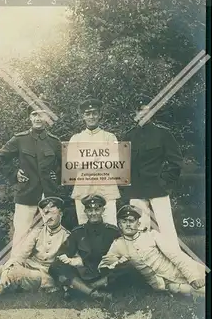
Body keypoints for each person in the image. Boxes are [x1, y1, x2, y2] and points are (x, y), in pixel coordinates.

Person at [0, 100, 62, 255]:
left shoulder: (54, 142)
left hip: (50, 196)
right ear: (30, 118)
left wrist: (56, 177)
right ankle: (14, 271)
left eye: (41, 114)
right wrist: (14, 174)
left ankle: (47, 271)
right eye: (34, 114)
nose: (38, 118)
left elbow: (66, 167)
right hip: (26, 195)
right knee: (21, 235)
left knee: (50, 235)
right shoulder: (20, 139)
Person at [99, 205, 205, 296]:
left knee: (200, 283)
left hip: (178, 271)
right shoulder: (118, 244)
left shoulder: (151, 235)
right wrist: (114, 263)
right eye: (124, 221)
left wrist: (193, 276)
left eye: (131, 221)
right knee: (193, 291)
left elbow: (175, 255)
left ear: (138, 224)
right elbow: (104, 265)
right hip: (162, 285)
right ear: (119, 225)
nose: (128, 224)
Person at [122, 100, 183, 249]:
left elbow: (176, 161)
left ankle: (176, 265)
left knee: (166, 228)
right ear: (135, 114)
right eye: (140, 111)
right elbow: (122, 165)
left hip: (158, 188)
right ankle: (144, 263)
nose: (143, 114)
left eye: (147, 111)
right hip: (136, 190)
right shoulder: (128, 136)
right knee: (139, 229)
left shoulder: (163, 134)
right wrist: (126, 186)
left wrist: (164, 180)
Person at [0, 197, 69, 294]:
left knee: (19, 273)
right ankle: (2, 283)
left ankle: (3, 286)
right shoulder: (37, 231)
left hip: (44, 274)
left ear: (61, 214)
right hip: (29, 265)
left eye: (52, 213)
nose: (48, 217)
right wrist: (10, 266)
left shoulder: (66, 236)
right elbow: (22, 254)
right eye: (45, 214)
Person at [49, 194, 120, 300]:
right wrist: (72, 259)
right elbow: (63, 252)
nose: (93, 213)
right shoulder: (78, 232)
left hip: (104, 273)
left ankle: (82, 289)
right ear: (85, 212)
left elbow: (122, 252)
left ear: (103, 210)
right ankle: (94, 294)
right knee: (55, 266)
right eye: (90, 210)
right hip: (84, 273)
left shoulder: (112, 231)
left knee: (126, 267)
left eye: (97, 209)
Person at [67, 97, 120, 225]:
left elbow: (114, 163)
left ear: (99, 115)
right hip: (83, 189)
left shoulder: (109, 137)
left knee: (110, 225)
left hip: (106, 189)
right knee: (84, 227)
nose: (91, 117)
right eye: (88, 114)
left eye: (94, 113)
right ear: (83, 117)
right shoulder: (76, 139)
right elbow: (72, 164)